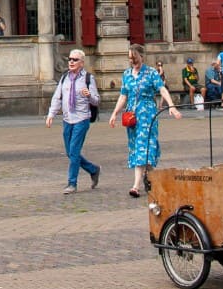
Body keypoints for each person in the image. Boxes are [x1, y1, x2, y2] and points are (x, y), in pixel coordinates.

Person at [109, 43, 181, 196]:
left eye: (134, 58)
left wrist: (171, 106)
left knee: (144, 146)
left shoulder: (151, 73)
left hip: (147, 114)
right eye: (130, 59)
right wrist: (115, 112)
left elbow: (162, 89)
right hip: (132, 117)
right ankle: (152, 180)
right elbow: (123, 95)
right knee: (138, 147)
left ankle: (136, 186)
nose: (132, 61)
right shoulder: (127, 74)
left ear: (142, 57)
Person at [46, 48, 100, 193]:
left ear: (81, 63)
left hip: (82, 119)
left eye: (74, 60)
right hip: (67, 119)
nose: (71, 62)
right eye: (70, 59)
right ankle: (93, 169)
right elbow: (57, 97)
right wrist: (51, 114)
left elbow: (96, 101)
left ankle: (72, 183)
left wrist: (89, 95)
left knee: (74, 152)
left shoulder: (88, 78)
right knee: (70, 152)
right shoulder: (64, 78)